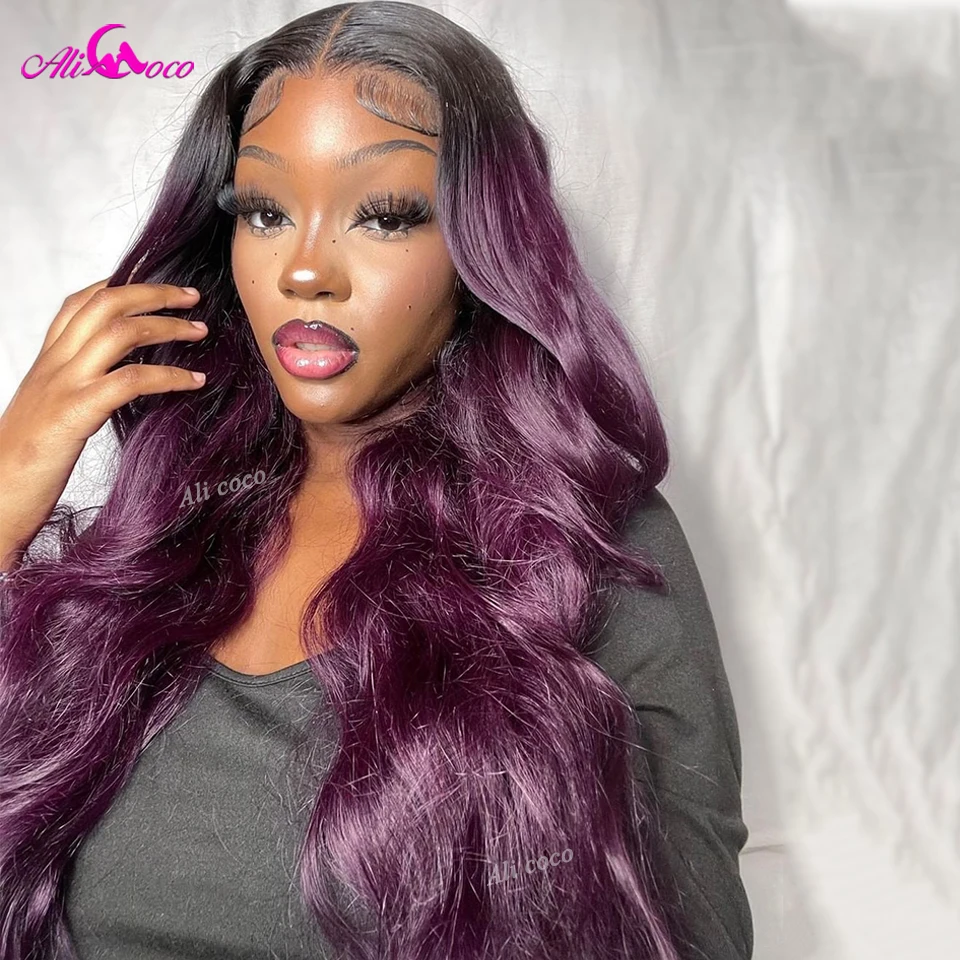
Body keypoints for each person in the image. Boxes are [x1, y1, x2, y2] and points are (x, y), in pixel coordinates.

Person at [0, 3, 753, 958]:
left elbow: (691, 933)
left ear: (479, 249)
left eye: (386, 214)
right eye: (265, 211)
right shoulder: (165, 530)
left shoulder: (586, 549)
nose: (305, 270)